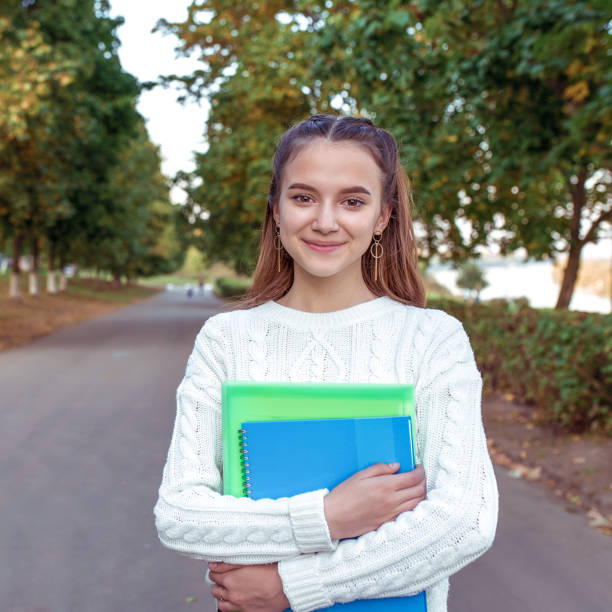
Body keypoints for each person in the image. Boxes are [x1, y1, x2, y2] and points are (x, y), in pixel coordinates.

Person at [154, 114, 498, 612]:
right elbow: (181, 514)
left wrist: (295, 587)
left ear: (383, 217)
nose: (325, 221)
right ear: (276, 209)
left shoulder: (431, 339)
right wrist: (329, 515)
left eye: (353, 201)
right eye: (303, 197)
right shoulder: (225, 341)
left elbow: (463, 521)